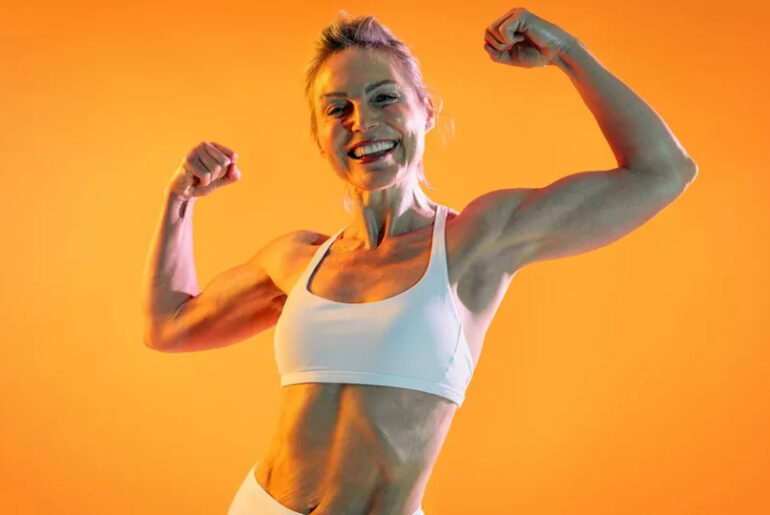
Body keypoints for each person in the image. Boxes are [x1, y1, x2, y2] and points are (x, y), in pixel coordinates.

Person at [142, 7, 697, 515]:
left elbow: (662, 172)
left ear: (426, 110)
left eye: (385, 97)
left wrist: (566, 52)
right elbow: (169, 325)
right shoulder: (297, 258)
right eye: (339, 109)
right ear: (320, 136)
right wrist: (179, 199)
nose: (362, 121)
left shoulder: (476, 240)